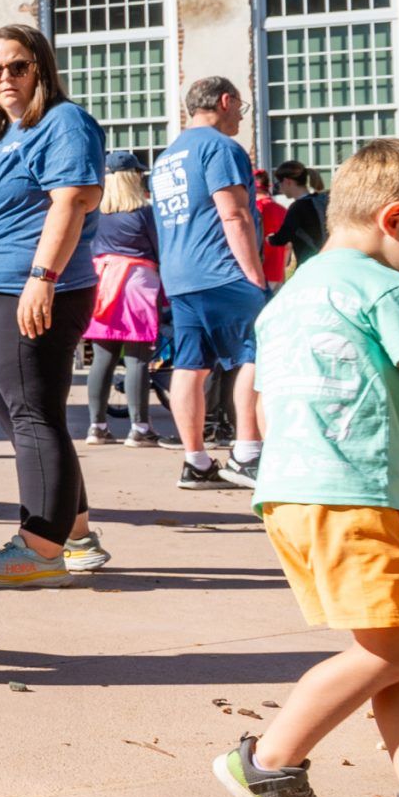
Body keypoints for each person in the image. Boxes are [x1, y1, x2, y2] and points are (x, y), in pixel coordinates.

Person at [213, 137, 399, 797]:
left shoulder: (290, 295)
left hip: (290, 494)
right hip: (354, 493)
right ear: (394, 218)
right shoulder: (387, 288)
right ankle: (268, 762)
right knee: (394, 648)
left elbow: (266, 406)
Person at [0, 25, 107, 587]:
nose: (6, 79)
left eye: (18, 67)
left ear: (41, 68)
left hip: (33, 289)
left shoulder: (64, 122)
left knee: (32, 417)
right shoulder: (3, 137)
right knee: (24, 419)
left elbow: (72, 203)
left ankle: (39, 550)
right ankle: (77, 537)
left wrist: (43, 276)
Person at [151, 77, 266, 490]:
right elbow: (232, 214)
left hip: (180, 275)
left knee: (191, 365)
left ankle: (196, 461)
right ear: (225, 100)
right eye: (240, 108)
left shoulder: (166, 157)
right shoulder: (220, 148)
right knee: (260, 351)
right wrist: (254, 275)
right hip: (222, 269)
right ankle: (248, 453)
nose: (240, 117)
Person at [84, 151, 165, 448]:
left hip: (102, 280)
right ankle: (140, 428)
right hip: (137, 280)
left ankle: (97, 426)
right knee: (137, 358)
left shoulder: (94, 212)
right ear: (132, 177)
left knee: (102, 358)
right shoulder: (144, 212)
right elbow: (160, 250)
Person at [273, 160, 328, 267]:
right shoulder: (320, 200)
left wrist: (270, 239)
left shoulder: (297, 207)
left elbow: (283, 237)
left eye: (279, 183)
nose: (279, 187)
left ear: (287, 181)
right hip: (327, 259)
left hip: (309, 264)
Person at [253, 169, 289, 289]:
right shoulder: (282, 210)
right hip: (277, 272)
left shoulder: (256, 209)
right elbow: (287, 246)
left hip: (257, 274)